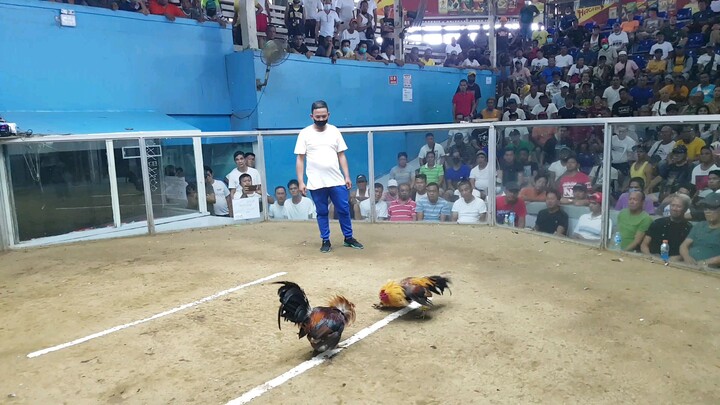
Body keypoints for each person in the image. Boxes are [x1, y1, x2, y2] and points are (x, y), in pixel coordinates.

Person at [294, 100, 363, 253]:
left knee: (344, 209)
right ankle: (325, 240)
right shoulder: (305, 133)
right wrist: (300, 181)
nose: (321, 119)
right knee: (322, 212)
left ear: (328, 115)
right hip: (315, 182)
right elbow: (300, 159)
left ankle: (348, 238)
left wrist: (347, 176)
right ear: (312, 116)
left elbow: (341, 155)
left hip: (336, 180)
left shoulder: (334, 131)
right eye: (317, 117)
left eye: (323, 116)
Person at [640, 194, 692, 260]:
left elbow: (689, 252)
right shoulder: (658, 223)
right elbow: (644, 245)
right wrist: (650, 256)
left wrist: (674, 259)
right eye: (672, 205)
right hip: (652, 259)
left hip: (674, 263)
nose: (674, 209)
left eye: (679, 206)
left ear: (685, 209)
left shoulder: (689, 228)